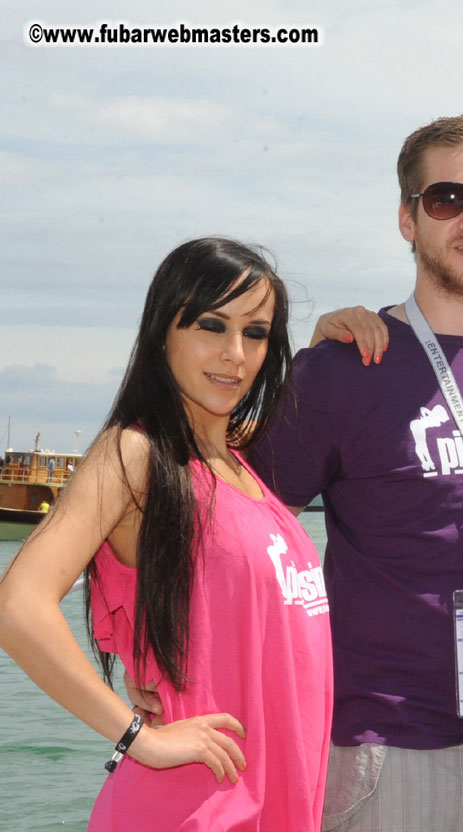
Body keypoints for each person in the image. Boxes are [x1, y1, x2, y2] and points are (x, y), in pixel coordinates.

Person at [247, 116, 463, 832]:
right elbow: (237, 527)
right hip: (390, 752)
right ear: (408, 218)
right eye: (446, 198)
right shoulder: (340, 366)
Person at [0, 237, 331, 830]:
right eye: (211, 325)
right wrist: (140, 740)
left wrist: (330, 339)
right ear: (162, 332)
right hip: (190, 809)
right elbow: (17, 606)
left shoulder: (235, 462)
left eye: (255, 333)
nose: (235, 353)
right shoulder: (136, 454)